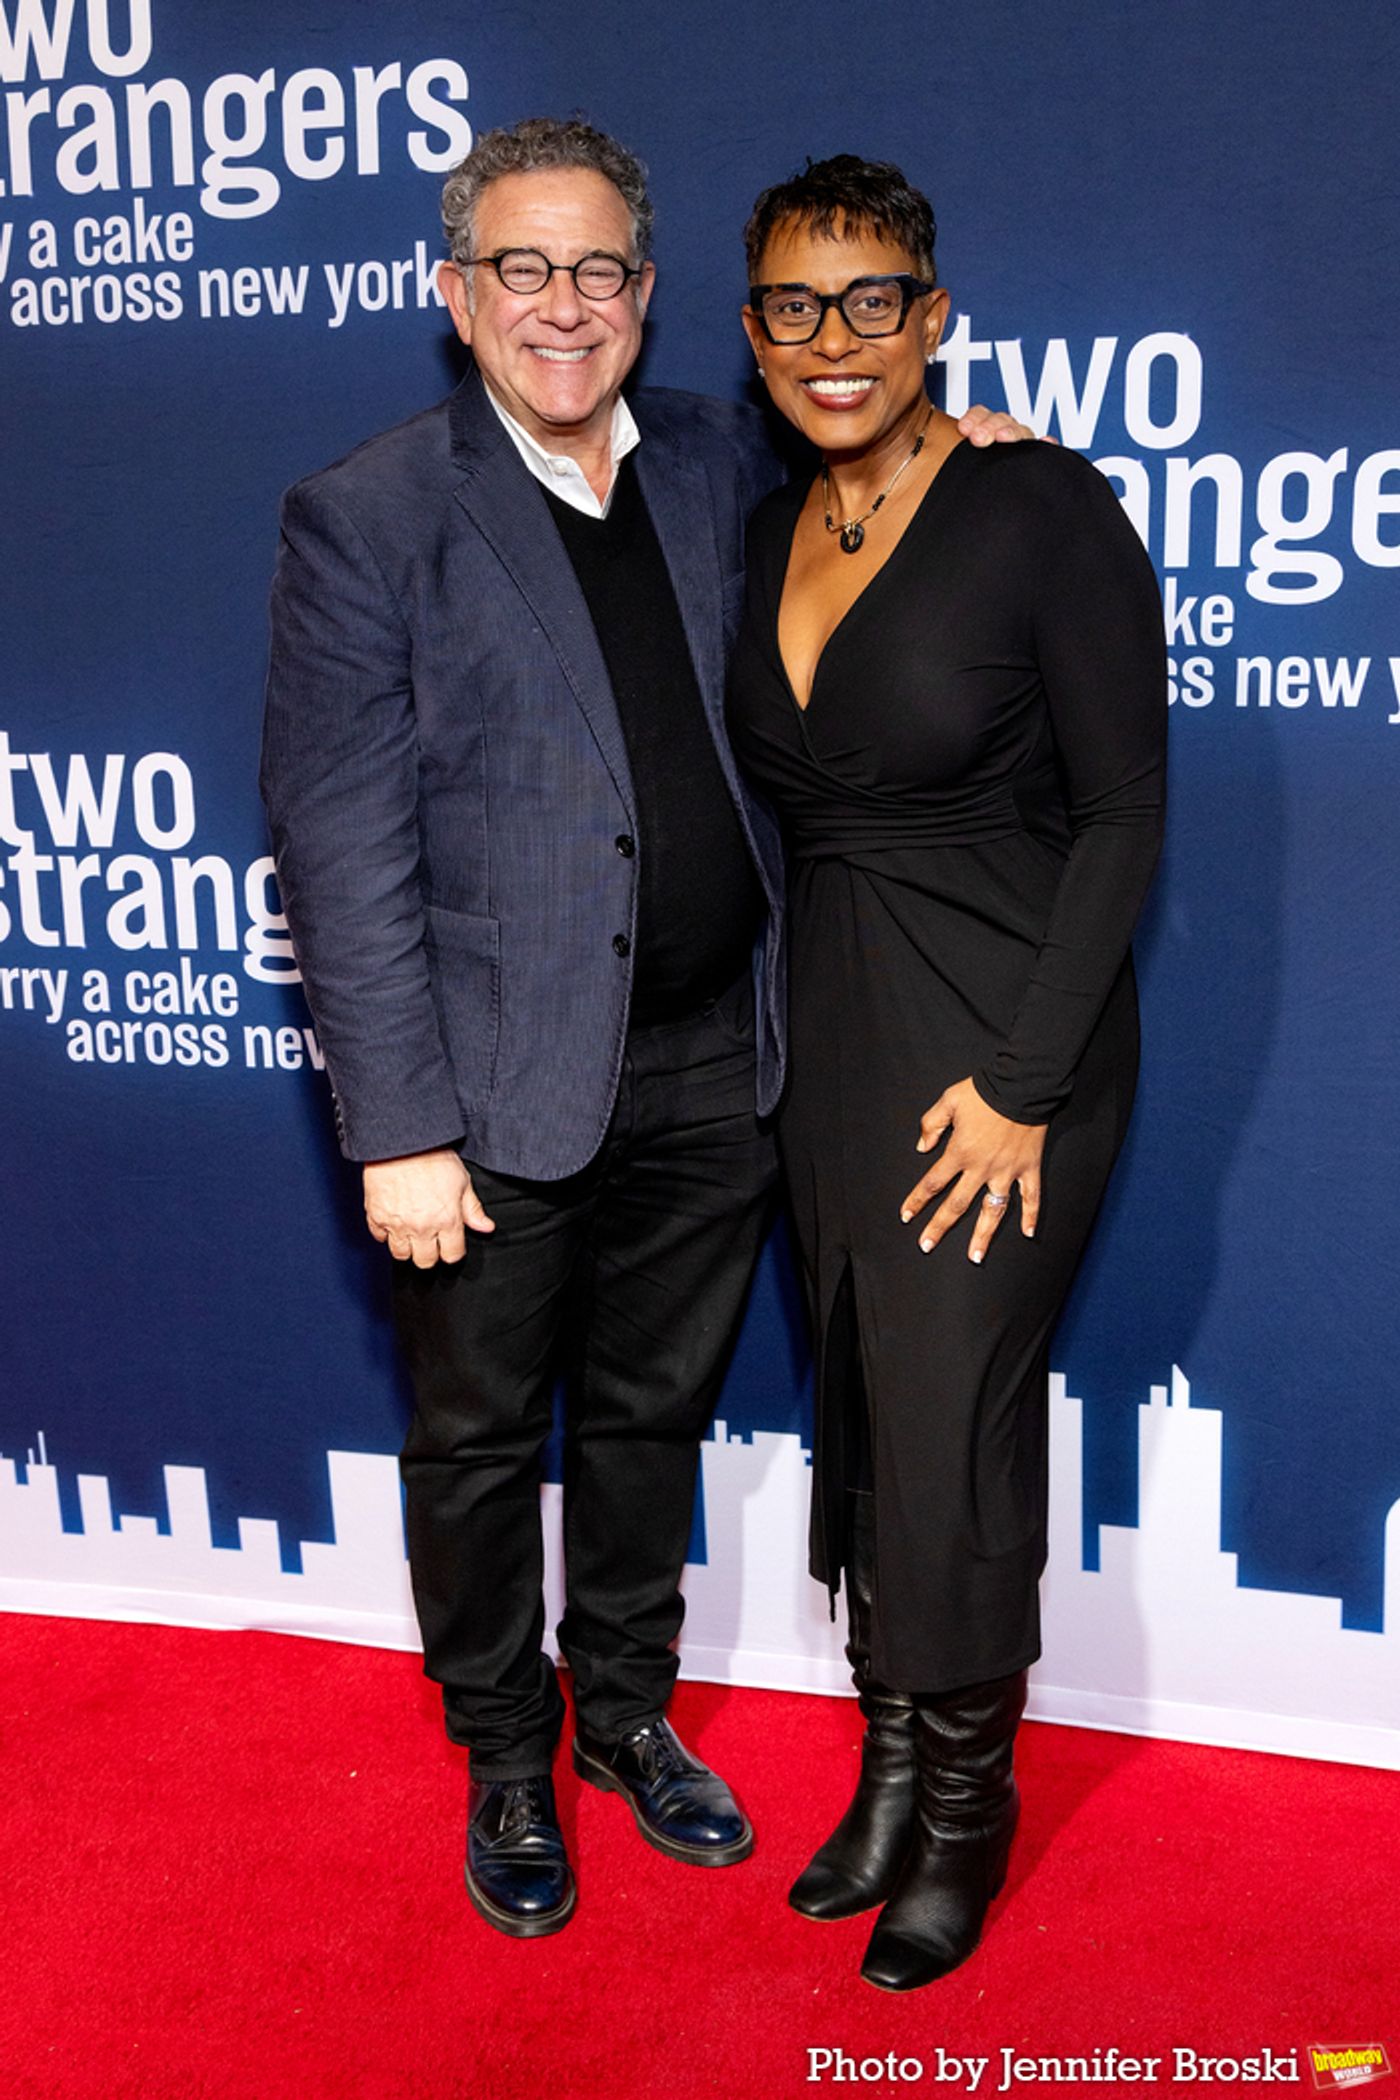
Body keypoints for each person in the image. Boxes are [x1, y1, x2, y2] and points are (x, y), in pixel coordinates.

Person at [261, 119, 1030, 1940]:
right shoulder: (365, 515)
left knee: (645, 1423)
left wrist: (968, 447)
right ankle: (508, 1755)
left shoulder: (709, 455)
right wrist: (397, 1125)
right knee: (472, 1441)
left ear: (648, 294)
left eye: (599, 268)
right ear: (458, 299)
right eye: (521, 269)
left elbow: (879, 451)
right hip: (484, 1092)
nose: (564, 304)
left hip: (714, 1060)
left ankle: (624, 1716)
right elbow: (338, 836)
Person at [727, 156, 1167, 1992]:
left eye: (873, 300)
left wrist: (1024, 1086)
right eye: (796, 308)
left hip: (1001, 1045)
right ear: (752, 332)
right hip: (827, 1040)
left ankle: (966, 1821)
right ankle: (892, 1775)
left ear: (934, 311)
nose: (837, 342)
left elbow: (1125, 816)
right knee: (866, 1408)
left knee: (957, 1423)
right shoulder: (756, 531)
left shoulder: (1043, 507)